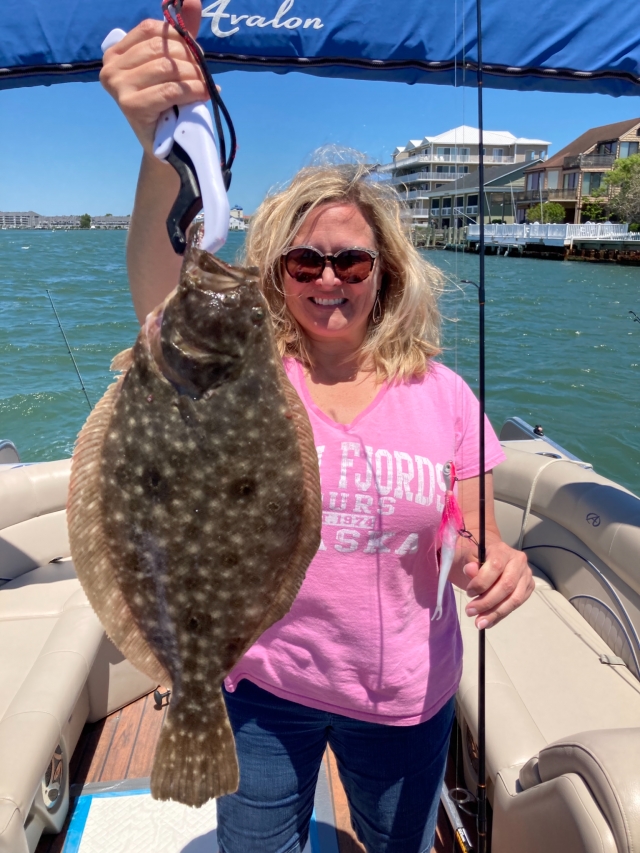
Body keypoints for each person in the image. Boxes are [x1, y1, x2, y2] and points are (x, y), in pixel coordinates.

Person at [101, 6, 534, 851]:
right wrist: (160, 148)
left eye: (351, 261)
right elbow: (162, 294)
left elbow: (470, 535)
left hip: (405, 701)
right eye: (306, 260)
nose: (328, 278)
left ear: (385, 274)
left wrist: (494, 561)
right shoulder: (244, 372)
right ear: (279, 273)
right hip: (265, 688)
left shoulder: (446, 395)